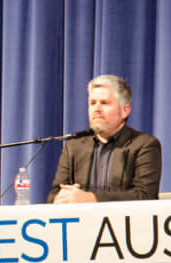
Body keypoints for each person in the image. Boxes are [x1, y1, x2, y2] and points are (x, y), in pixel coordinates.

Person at [48, 74, 161, 203]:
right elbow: (53, 195)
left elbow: (145, 196)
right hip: (80, 221)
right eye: (92, 103)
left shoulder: (144, 145)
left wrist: (91, 198)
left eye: (104, 103)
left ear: (125, 111)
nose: (97, 109)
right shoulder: (74, 146)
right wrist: (63, 197)